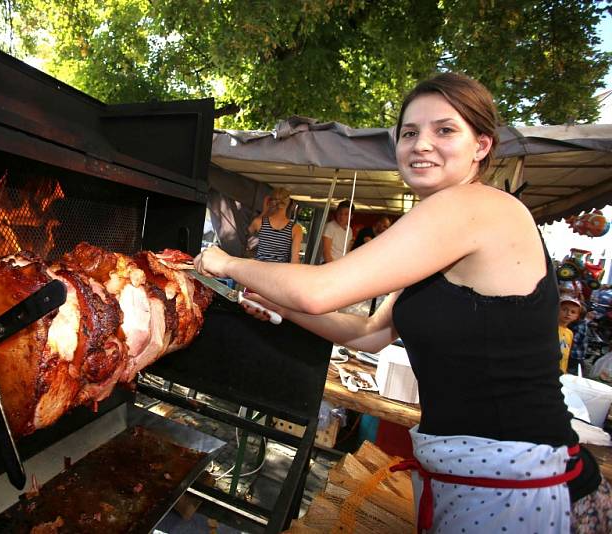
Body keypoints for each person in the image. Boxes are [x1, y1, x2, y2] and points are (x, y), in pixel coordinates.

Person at [195, 72, 609, 532]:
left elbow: (320, 289)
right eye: (409, 133)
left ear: (482, 146)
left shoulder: (476, 206)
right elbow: (369, 333)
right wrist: (284, 308)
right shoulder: (438, 232)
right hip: (469, 476)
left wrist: (226, 263)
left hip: (519, 480)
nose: (421, 144)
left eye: (444, 130)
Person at [247, 188, 303, 263]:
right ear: (289, 203)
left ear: (270, 202)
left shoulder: (258, 222)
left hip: (258, 269)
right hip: (278, 272)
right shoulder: (296, 229)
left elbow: (244, 236)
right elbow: (295, 260)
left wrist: (264, 211)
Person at [559, 293, 584, 373]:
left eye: (573, 312)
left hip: (561, 371)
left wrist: (564, 370)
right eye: (564, 309)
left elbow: (566, 355)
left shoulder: (570, 333)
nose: (568, 313)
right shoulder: (549, 328)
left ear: (576, 316)